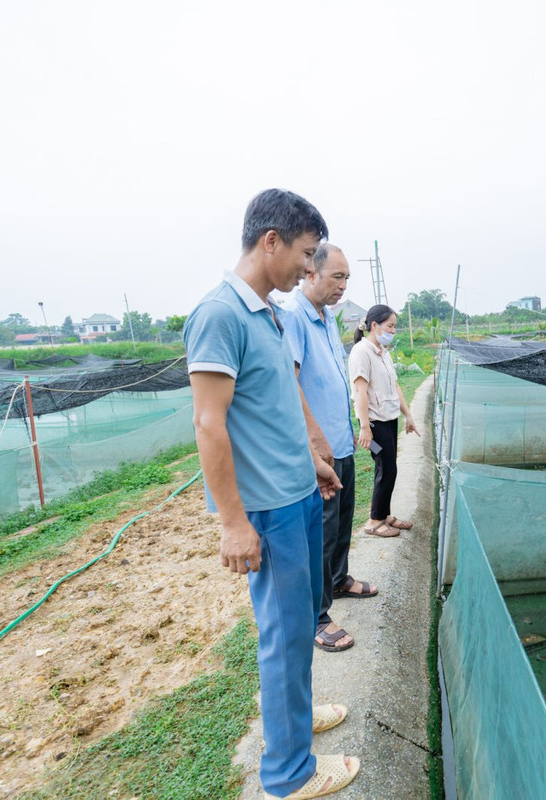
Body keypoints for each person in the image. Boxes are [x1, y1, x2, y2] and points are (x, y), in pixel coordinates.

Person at [184, 189, 359, 800]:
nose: (310, 270)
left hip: (299, 493)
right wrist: (233, 522)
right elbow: (210, 424)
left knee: (300, 617)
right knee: (284, 636)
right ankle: (290, 774)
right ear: (270, 241)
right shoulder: (220, 315)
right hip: (270, 510)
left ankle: (295, 715)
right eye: (307, 256)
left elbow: (279, 401)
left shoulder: (268, 313)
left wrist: (314, 459)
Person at [282, 243, 378, 654]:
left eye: (347, 278)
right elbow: (290, 383)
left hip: (341, 442)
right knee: (319, 534)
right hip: (319, 450)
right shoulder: (296, 319)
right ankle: (317, 617)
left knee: (340, 524)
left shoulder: (327, 318)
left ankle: (339, 580)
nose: (342, 285)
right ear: (310, 273)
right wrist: (314, 443)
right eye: (336, 277)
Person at [348, 304, 419, 537]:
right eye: (390, 326)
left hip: (389, 419)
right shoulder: (361, 352)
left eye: (395, 326)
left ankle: (385, 514)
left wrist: (407, 415)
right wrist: (365, 427)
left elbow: (395, 386)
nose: (394, 330)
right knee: (384, 467)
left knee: (390, 467)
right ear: (375, 325)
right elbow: (360, 392)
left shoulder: (383, 352)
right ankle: (374, 521)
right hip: (374, 424)